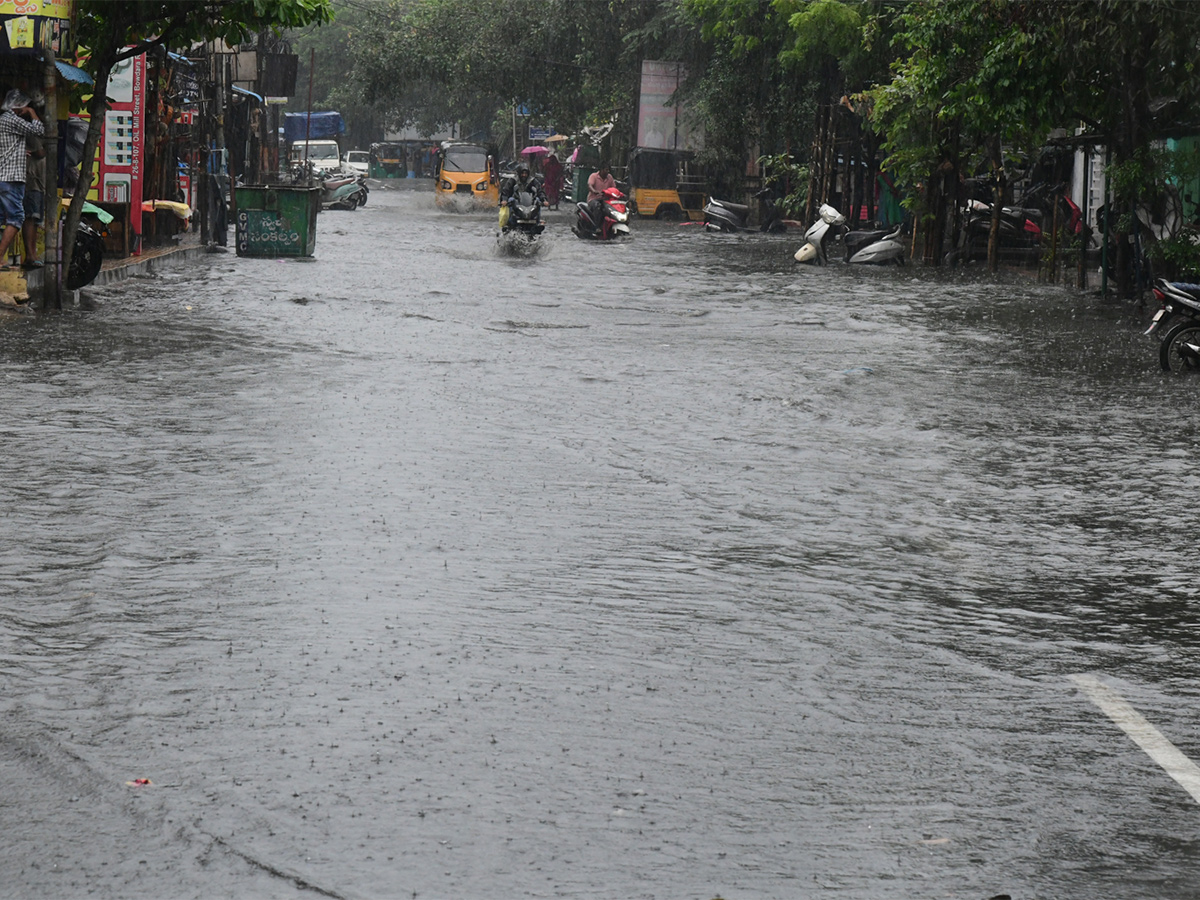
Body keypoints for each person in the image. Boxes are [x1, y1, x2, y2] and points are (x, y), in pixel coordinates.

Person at [0, 89, 43, 271]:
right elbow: (39, 130)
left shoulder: (4, 120)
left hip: (3, 176)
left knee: (3, 218)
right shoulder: (12, 120)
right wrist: (32, 113)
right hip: (11, 178)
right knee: (17, 218)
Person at [21, 93, 45, 270]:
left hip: (37, 179)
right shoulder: (30, 128)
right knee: (30, 217)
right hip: (32, 179)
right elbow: (40, 152)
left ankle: (32, 254)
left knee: (34, 219)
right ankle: (30, 255)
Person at [586, 162, 616, 231]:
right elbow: (590, 185)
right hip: (594, 199)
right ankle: (597, 227)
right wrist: (594, 191)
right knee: (597, 206)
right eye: (606, 170)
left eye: (608, 170)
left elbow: (614, 188)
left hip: (606, 200)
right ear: (601, 170)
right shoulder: (593, 176)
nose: (607, 172)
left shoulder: (610, 177)